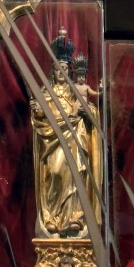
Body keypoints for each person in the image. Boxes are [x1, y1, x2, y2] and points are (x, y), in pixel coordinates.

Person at [30, 32, 102, 238]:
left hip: (74, 137)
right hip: (52, 139)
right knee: (54, 173)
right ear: (53, 71)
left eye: (64, 68)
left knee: (76, 173)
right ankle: (52, 217)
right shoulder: (46, 92)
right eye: (57, 68)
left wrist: (87, 112)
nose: (61, 72)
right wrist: (37, 111)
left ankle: (75, 217)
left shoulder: (75, 91)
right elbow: (39, 116)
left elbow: (90, 108)